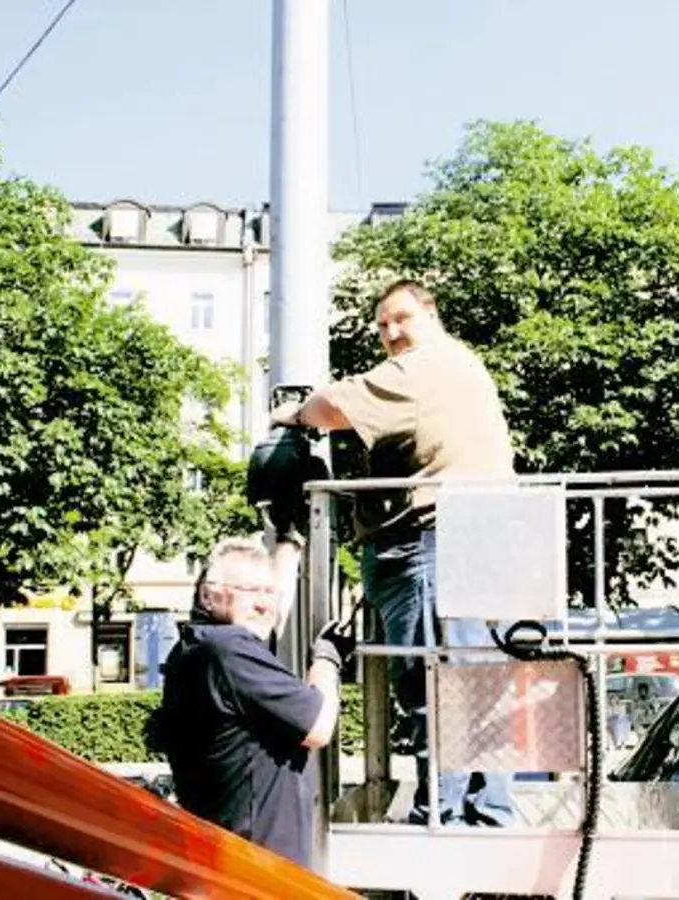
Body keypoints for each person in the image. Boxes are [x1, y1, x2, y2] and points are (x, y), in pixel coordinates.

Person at [269, 278, 516, 827]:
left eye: (400, 318)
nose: (389, 333)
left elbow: (334, 406)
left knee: (431, 680)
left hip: (431, 540)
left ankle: (442, 812)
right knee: (475, 680)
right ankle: (489, 807)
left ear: (431, 313)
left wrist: (293, 415)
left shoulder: (424, 366)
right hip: (478, 536)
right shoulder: (466, 367)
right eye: (381, 325)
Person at [150, 535, 356, 867]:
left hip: (230, 860)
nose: (265, 604)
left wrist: (291, 544)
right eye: (250, 592)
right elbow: (318, 726)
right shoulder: (229, 649)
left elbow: (271, 616)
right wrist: (327, 660)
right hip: (256, 870)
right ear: (209, 595)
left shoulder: (199, 648)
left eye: (268, 592)